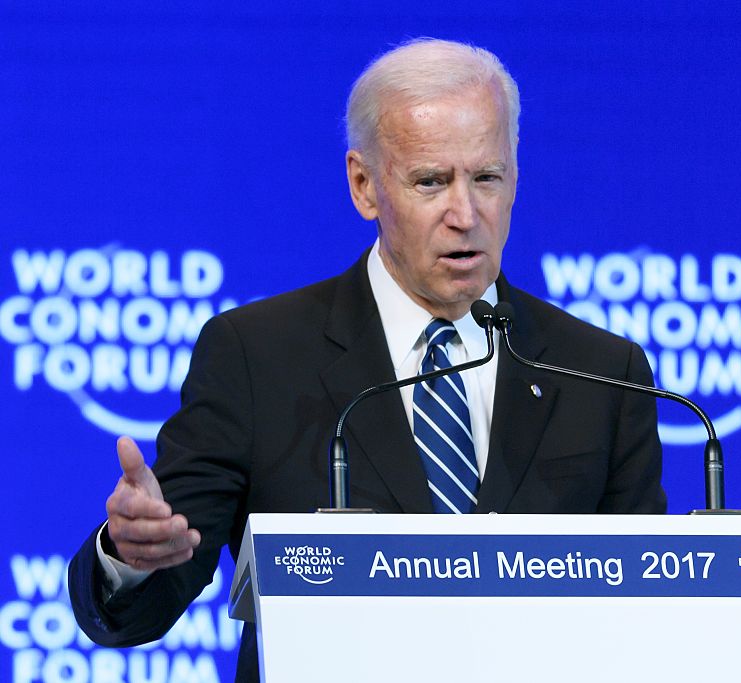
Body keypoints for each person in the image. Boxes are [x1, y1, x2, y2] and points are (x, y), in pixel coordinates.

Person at [69, 38, 666, 681]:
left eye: (487, 178)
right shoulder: (257, 354)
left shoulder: (602, 372)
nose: (465, 215)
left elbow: (647, 615)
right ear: (365, 186)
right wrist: (131, 556)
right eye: (431, 181)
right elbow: (153, 594)